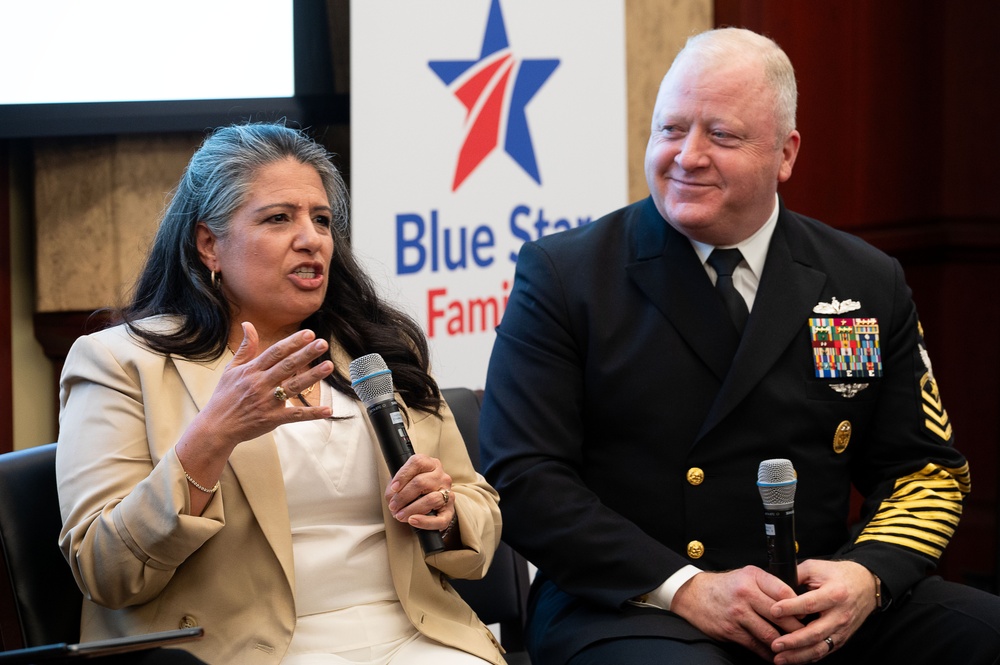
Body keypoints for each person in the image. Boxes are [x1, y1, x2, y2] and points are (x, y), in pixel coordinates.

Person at [478, 26, 1000, 665]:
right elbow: (524, 475)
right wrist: (686, 587)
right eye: (670, 130)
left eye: (721, 135)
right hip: (632, 603)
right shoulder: (566, 275)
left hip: (814, 597)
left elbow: (925, 469)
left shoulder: (864, 279)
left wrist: (866, 577)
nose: (687, 155)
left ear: (786, 154)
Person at [56, 122, 505, 665]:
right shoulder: (121, 363)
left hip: (416, 631)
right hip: (248, 648)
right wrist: (212, 435)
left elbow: (478, 506)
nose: (311, 238)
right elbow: (106, 570)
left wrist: (447, 512)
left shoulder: (377, 352)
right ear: (208, 245)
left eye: (321, 220)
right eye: (278, 218)